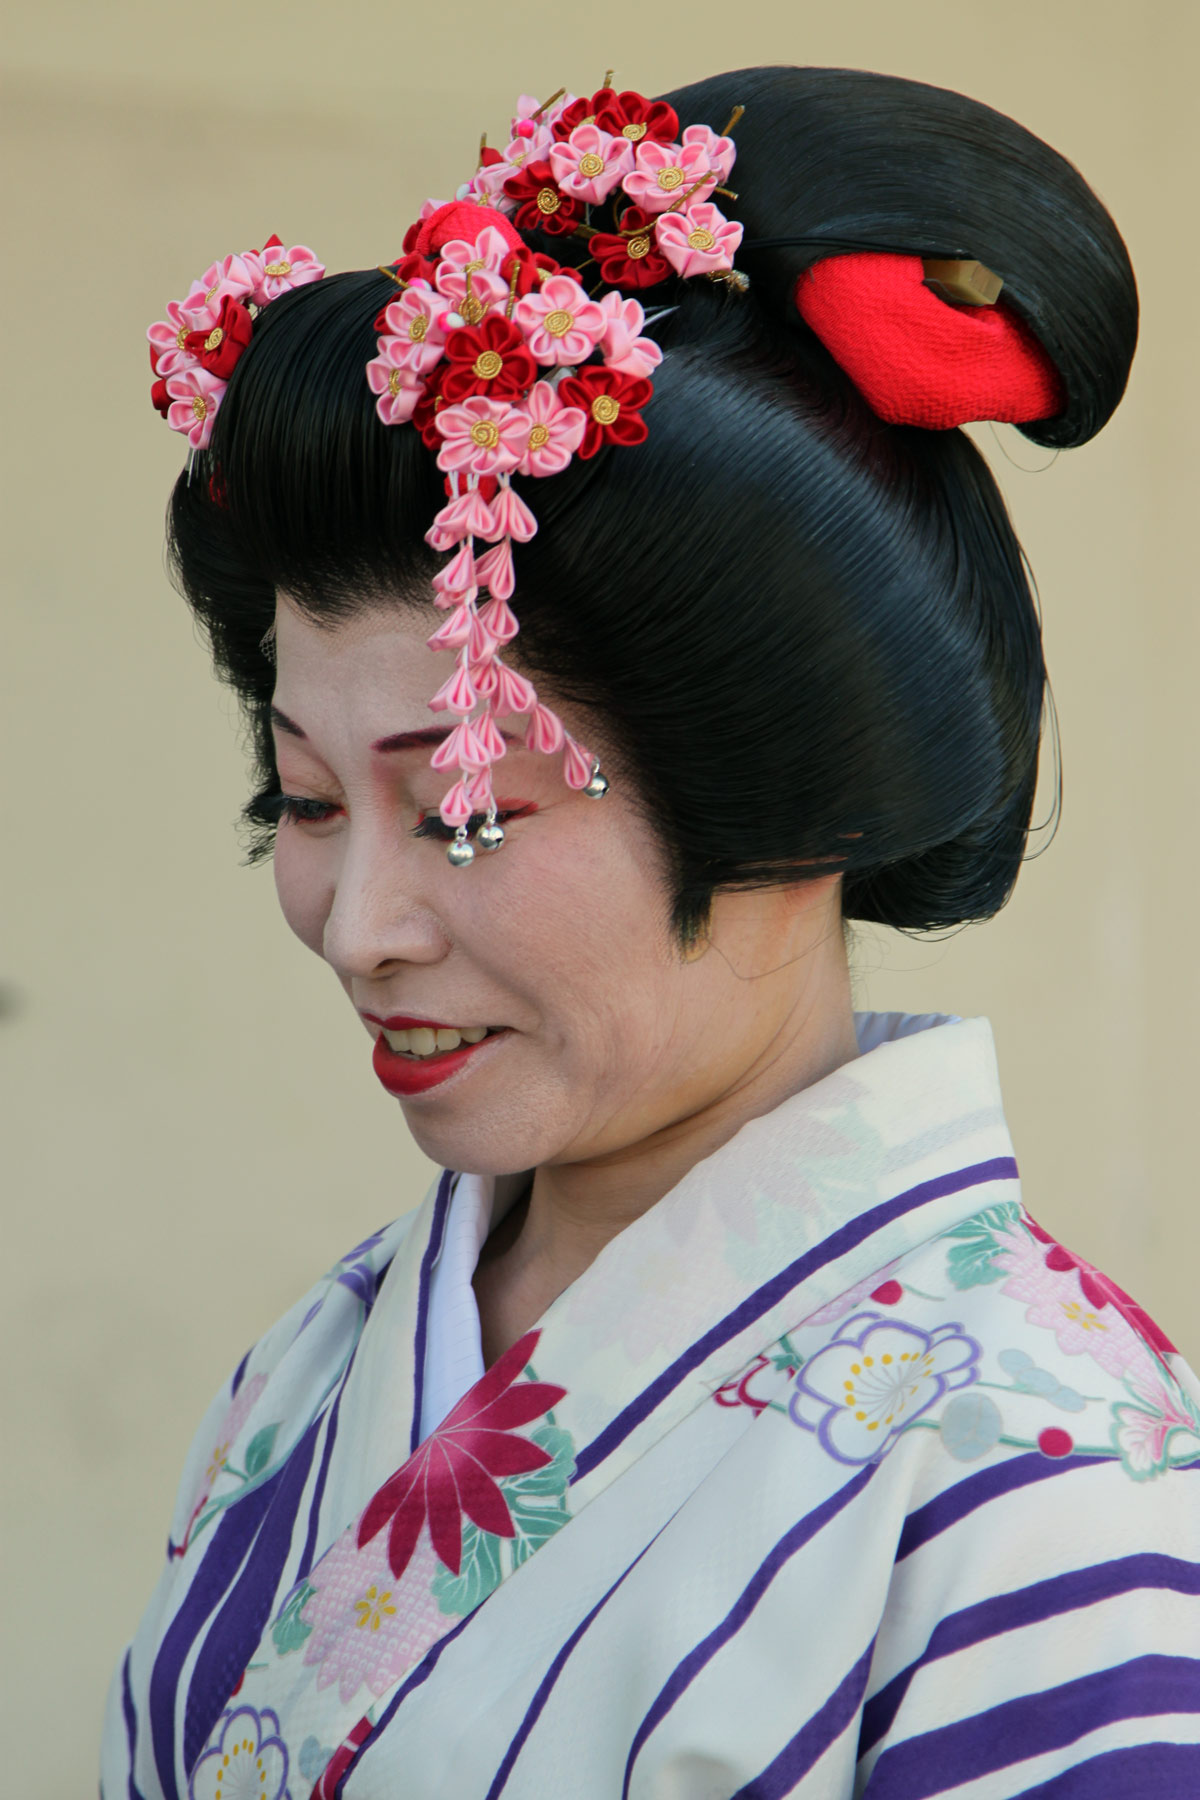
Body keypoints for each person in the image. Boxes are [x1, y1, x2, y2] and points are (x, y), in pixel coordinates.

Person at [104, 63, 1200, 1800]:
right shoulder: (330, 1357)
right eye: (308, 800)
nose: (357, 927)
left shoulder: (1037, 1471)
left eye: (466, 807)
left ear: (786, 800)